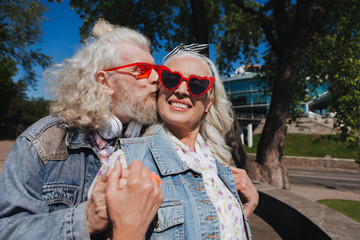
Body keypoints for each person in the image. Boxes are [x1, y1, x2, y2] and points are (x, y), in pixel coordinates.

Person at [0, 19, 163, 239]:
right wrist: (87, 219)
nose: (156, 78)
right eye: (141, 70)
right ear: (105, 82)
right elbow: (7, 229)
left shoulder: (162, 137)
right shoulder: (41, 142)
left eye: (156, 69)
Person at [96, 45, 258, 239]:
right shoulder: (128, 161)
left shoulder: (217, 164)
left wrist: (245, 207)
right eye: (171, 79)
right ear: (159, 89)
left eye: (197, 84)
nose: (181, 90)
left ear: (208, 103)